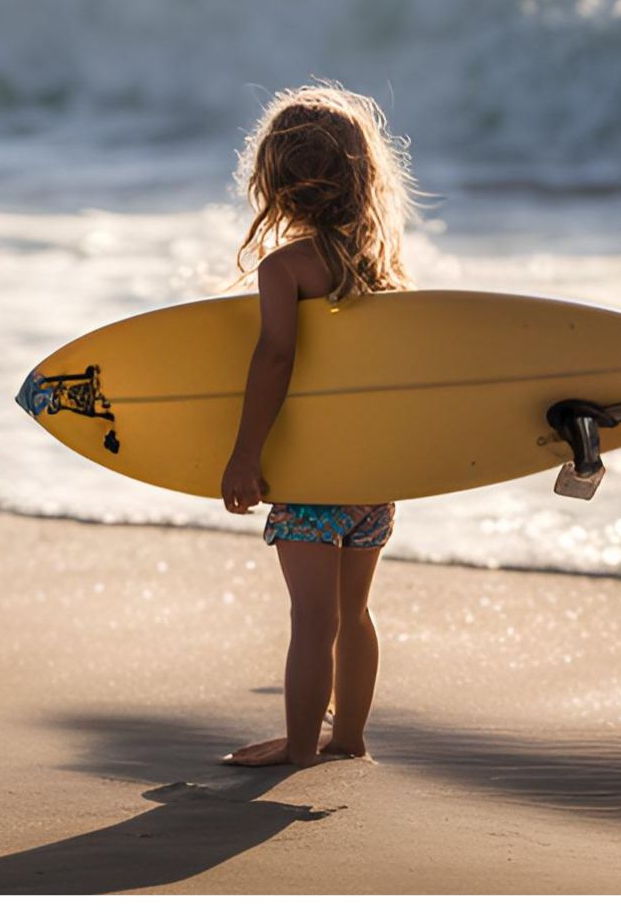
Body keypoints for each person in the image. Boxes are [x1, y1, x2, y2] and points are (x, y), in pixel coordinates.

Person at [217, 85, 417, 768]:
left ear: (276, 184)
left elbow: (274, 357)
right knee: (353, 615)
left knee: (312, 618)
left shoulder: (286, 269)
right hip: (370, 480)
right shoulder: (382, 271)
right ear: (364, 179)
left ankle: (301, 745)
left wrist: (245, 454)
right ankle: (350, 738)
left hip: (310, 485)